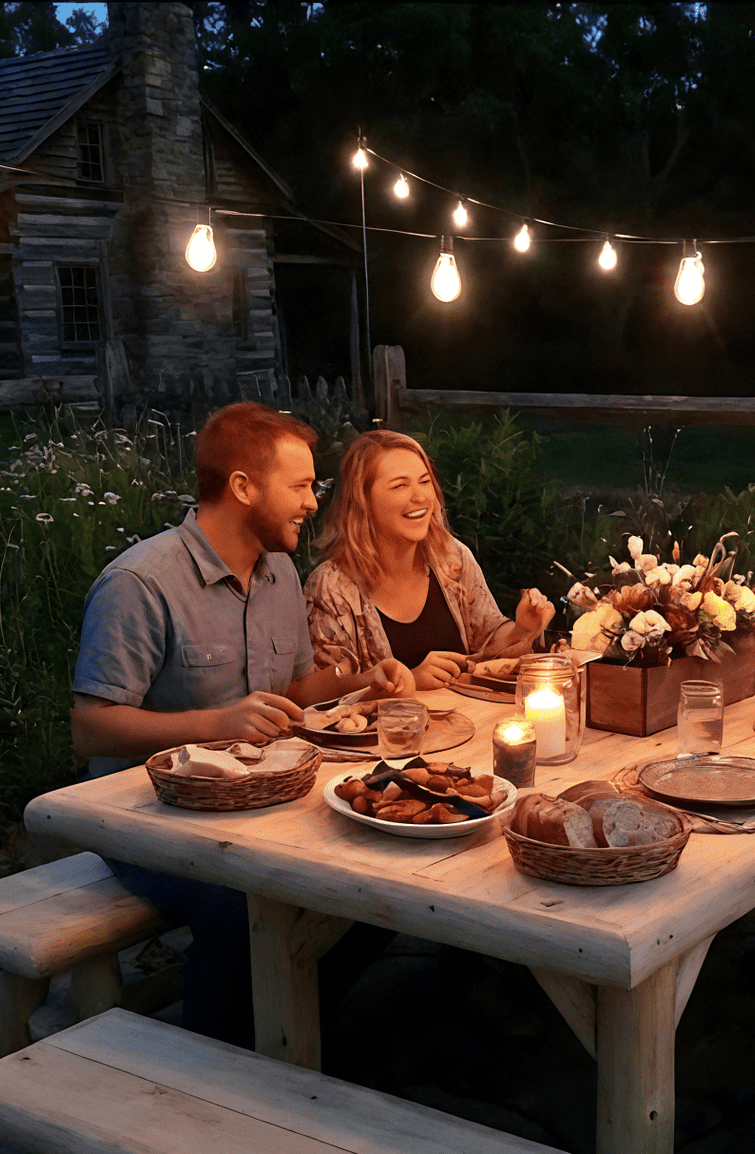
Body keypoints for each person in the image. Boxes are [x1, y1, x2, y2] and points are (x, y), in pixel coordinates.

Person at [70, 400, 414, 1046]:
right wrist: (215, 723)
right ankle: (213, 1073)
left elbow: (292, 690)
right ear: (242, 486)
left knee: (382, 881)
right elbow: (91, 727)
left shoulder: (278, 570)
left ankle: (292, 1023)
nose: (314, 503)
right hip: (147, 819)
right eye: (301, 485)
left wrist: (358, 681)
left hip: (260, 802)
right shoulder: (141, 584)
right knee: (242, 907)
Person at [306, 430, 555, 689]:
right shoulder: (330, 587)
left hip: (468, 724)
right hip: (393, 730)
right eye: (400, 485)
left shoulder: (451, 557)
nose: (421, 496)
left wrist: (523, 628)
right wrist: (410, 681)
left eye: (425, 482)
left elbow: (487, 645)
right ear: (361, 500)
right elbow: (325, 698)